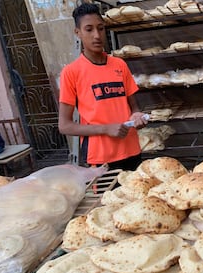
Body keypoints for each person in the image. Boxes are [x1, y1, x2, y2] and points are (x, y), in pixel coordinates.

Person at [58, 3, 148, 171]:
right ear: (77, 33)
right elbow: (64, 125)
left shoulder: (119, 65)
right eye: (89, 29)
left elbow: (133, 106)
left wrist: (137, 116)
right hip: (101, 158)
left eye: (100, 28)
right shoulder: (71, 72)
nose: (97, 35)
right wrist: (106, 128)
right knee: (106, 198)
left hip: (132, 150)